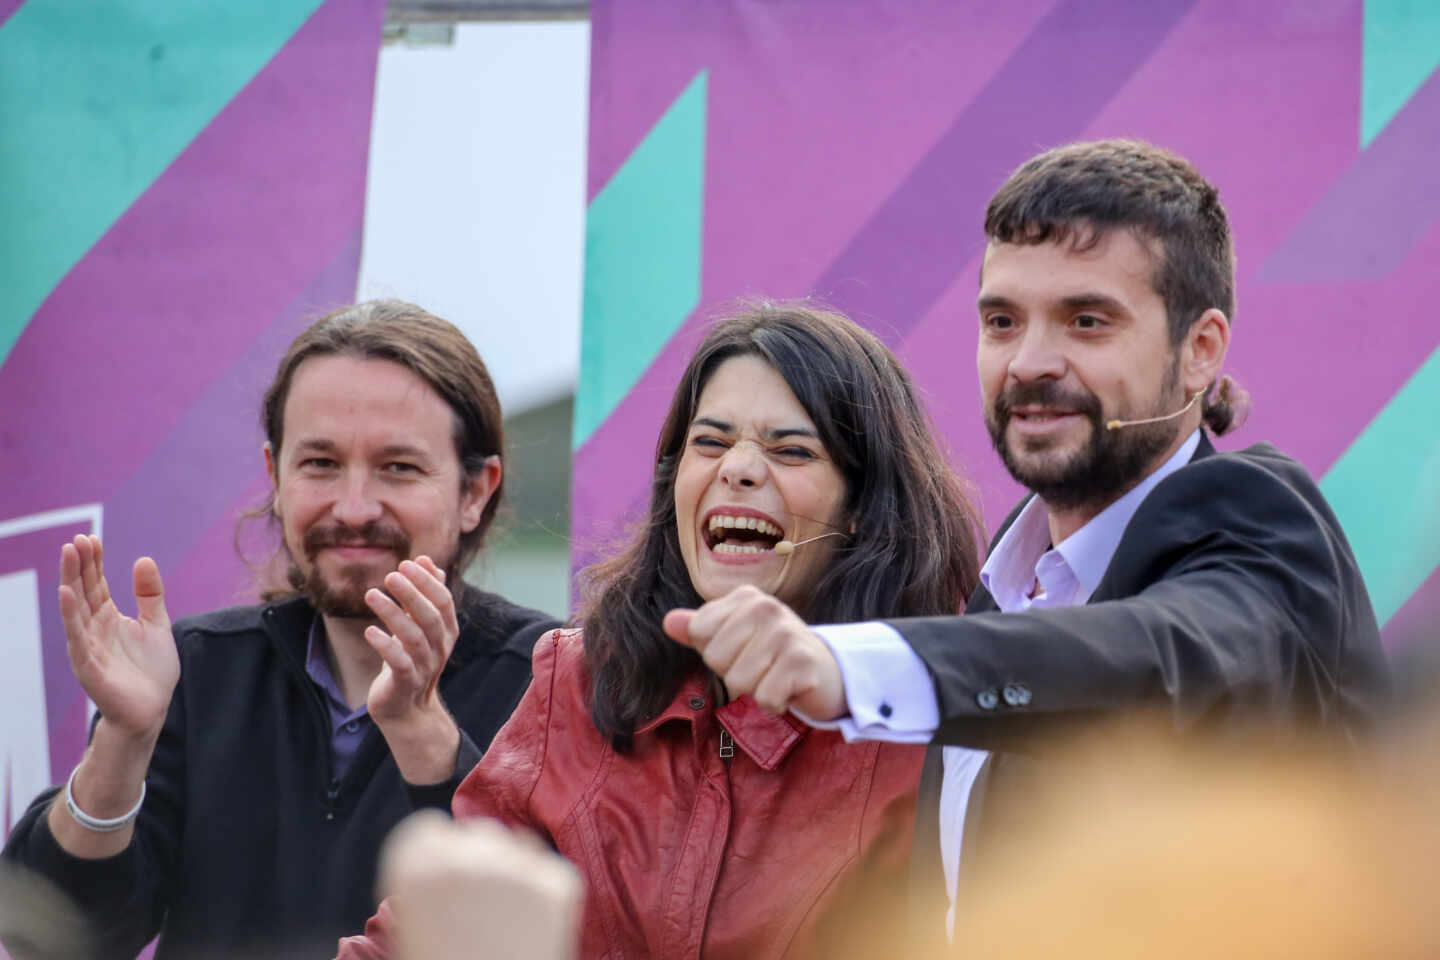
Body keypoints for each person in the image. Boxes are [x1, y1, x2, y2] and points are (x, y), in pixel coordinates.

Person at [664, 140, 1392, 942]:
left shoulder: (1261, 518)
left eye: (1087, 321)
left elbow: (1159, 654)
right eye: (1002, 322)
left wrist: (851, 663)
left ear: (1201, 351)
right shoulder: (1005, 581)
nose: (1030, 363)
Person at [336, 303, 985, 959]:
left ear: (861, 509)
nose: (739, 468)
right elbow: (429, 940)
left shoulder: (936, 717)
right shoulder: (580, 679)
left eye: (791, 450)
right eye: (710, 442)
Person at [2, 300, 560, 960]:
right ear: (274, 475)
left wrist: (420, 729)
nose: (353, 508)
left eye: (399, 467)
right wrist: (124, 741)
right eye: (320, 463)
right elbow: (60, 935)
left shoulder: (553, 682)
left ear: (475, 493)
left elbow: (556, 930)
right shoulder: (197, 670)